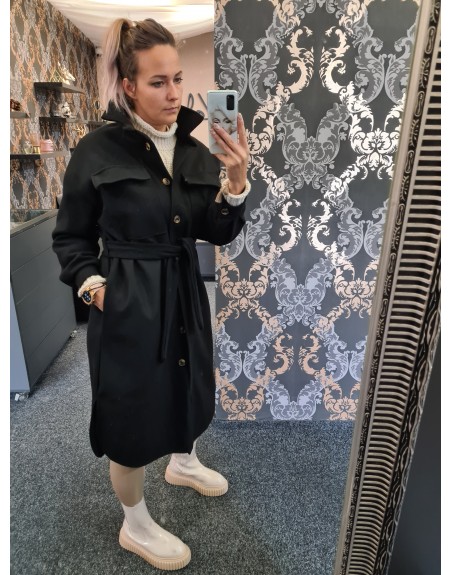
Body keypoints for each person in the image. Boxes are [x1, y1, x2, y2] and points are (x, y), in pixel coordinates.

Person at [52, 17, 250, 571]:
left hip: (183, 290)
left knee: (188, 381)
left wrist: (236, 183)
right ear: (129, 85)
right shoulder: (96, 151)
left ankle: (182, 461)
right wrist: (96, 290)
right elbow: (70, 237)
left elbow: (217, 230)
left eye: (177, 78)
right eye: (158, 81)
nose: (173, 93)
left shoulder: (194, 151)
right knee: (130, 409)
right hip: (128, 298)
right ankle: (134, 524)